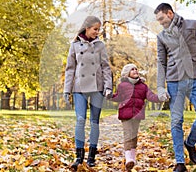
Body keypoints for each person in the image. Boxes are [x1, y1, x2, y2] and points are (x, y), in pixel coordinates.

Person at [154, 3, 196, 172]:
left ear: (170, 13)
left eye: (161, 18)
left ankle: (190, 142)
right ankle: (180, 162)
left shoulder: (193, 25)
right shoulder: (161, 36)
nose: (160, 22)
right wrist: (160, 87)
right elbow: (161, 63)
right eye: (158, 20)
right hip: (174, 81)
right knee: (176, 121)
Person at [63, 16, 113, 171]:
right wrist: (67, 90)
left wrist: (108, 86)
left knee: (94, 121)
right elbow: (70, 69)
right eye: (95, 29)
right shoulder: (74, 45)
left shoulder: (100, 45)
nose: (97, 32)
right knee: (80, 119)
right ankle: (79, 156)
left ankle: (91, 156)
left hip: (97, 87)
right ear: (87, 28)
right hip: (79, 87)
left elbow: (106, 67)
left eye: (99, 30)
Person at [108, 63, 166, 172]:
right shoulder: (122, 86)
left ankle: (132, 159)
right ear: (127, 73)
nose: (135, 71)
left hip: (137, 115)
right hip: (125, 114)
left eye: (136, 69)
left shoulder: (143, 86)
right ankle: (128, 157)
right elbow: (118, 97)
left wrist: (160, 98)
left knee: (133, 136)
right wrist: (110, 96)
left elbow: (151, 96)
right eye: (132, 69)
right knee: (128, 135)